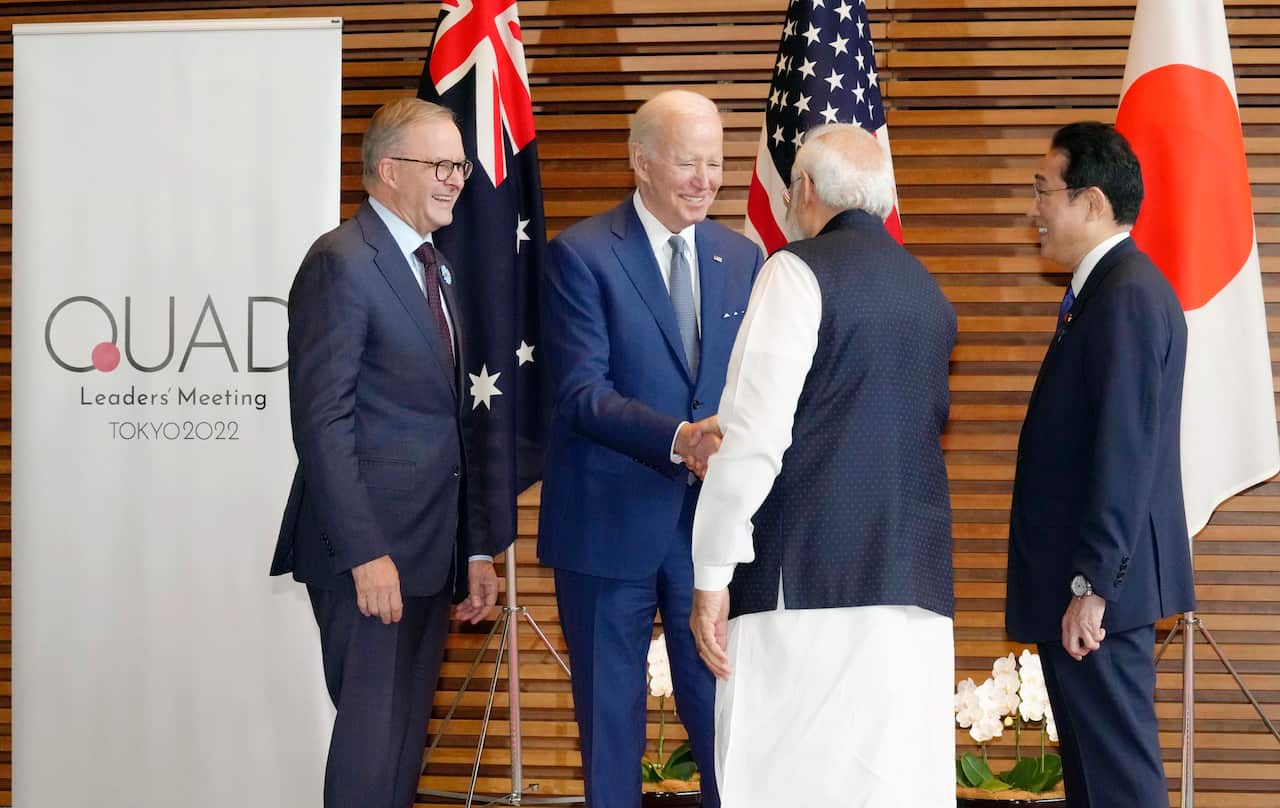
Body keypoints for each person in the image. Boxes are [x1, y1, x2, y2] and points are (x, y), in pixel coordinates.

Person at [688, 123, 957, 807]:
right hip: (912, 589)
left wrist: (713, 572)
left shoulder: (795, 269)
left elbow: (753, 438)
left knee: (784, 778)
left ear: (804, 189)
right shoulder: (928, 290)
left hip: (801, 583)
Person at [270, 97, 500, 808]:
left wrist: (475, 548)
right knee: (370, 749)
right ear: (389, 170)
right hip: (366, 559)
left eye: (460, 163)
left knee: (400, 749)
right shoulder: (341, 263)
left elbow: (450, 427)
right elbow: (322, 422)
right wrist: (367, 552)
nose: (458, 177)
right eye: (442, 164)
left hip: (429, 556)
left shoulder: (435, 267)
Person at [538, 89, 763, 807]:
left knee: (725, 725)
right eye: (687, 163)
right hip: (607, 529)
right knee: (611, 734)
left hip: (711, 539)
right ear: (641, 163)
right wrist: (677, 438)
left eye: (716, 163)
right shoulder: (580, 255)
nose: (705, 180)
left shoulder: (742, 255)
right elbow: (580, 392)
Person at [1005, 121, 1195, 807]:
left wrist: (1093, 585)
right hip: (1087, 589)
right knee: (1093, 783)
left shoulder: (1127, 296)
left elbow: (1124, 453)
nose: (1035, 211)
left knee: (1120, 783)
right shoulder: (1107, 292)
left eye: (1041, 191)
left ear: (1089, 201)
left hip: (1099, 596)